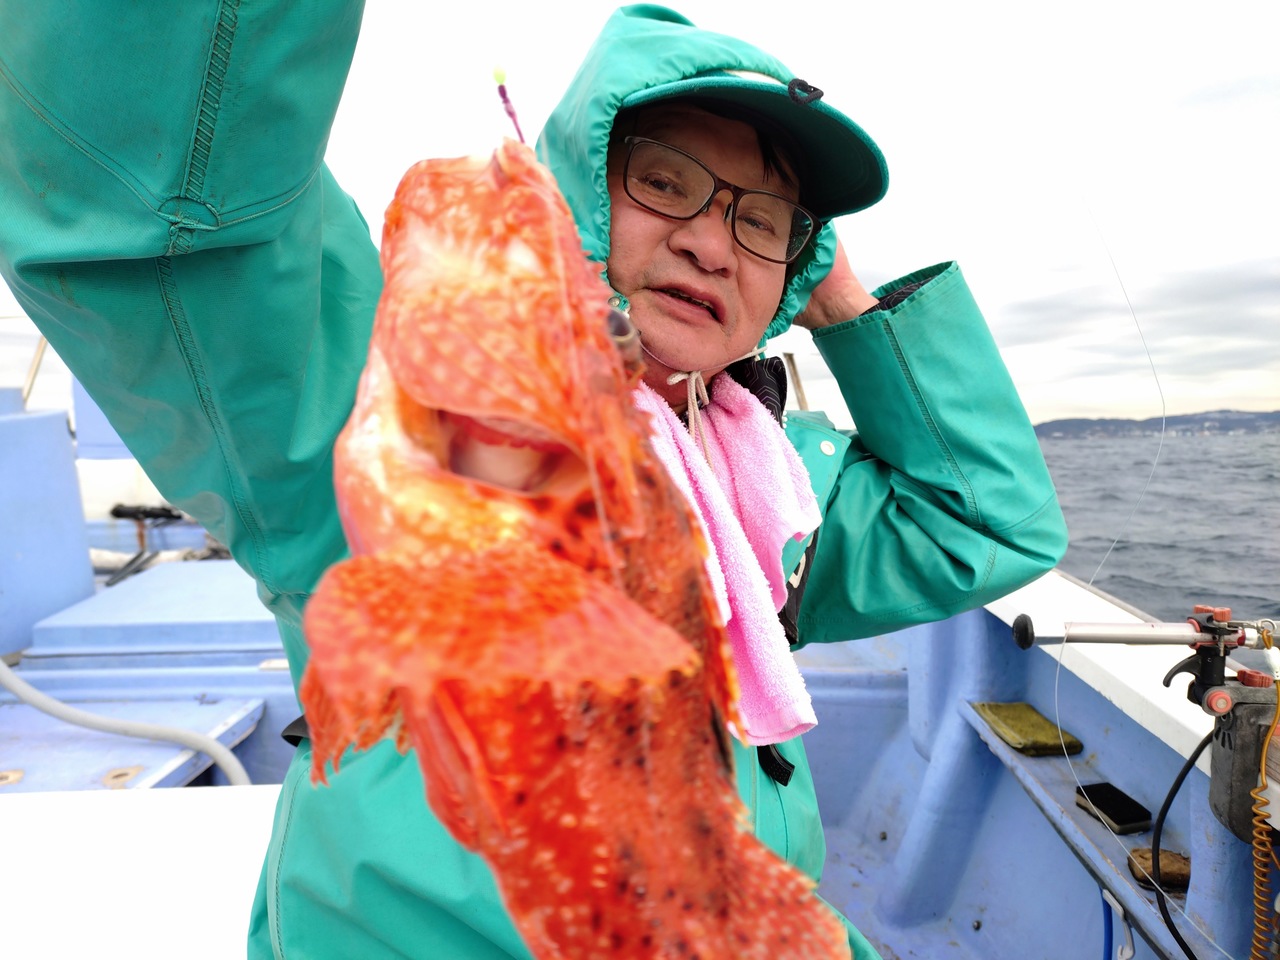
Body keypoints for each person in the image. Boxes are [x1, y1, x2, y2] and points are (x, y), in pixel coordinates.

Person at [0, 4, 1067, 958]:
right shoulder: (402, 394)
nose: (711, 244)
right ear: (576, 192)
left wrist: (833, 292)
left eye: (761, 222)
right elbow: (151, 184)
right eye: (664, 182)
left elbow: (982, 522)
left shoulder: (766, 495)